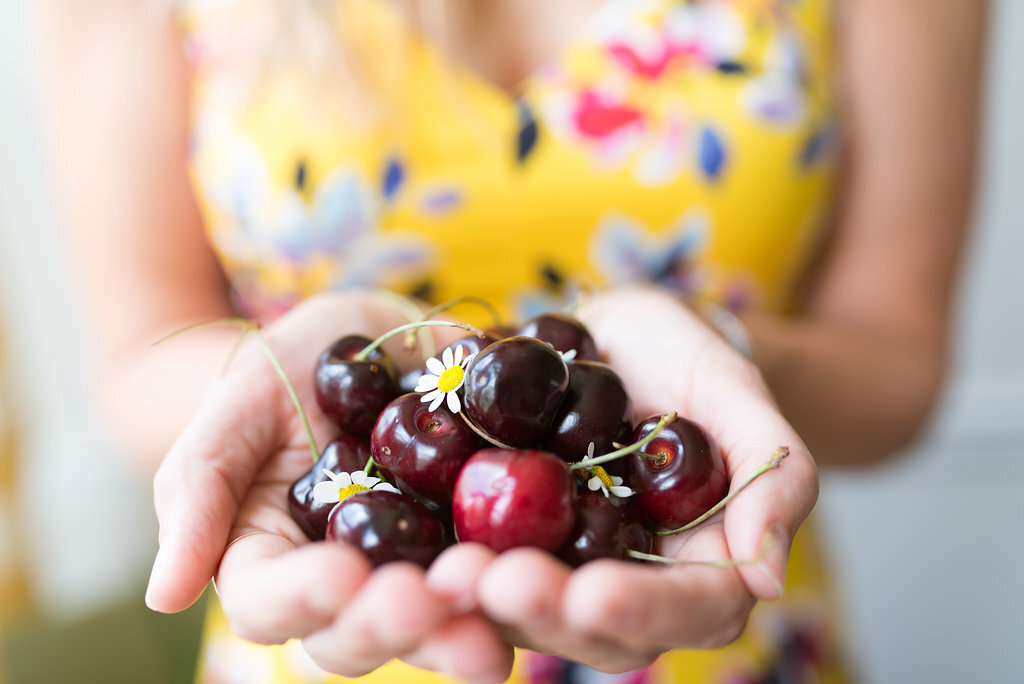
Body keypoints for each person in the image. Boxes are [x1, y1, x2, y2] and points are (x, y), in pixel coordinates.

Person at [40, 0, 987, 682]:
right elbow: (137, 358)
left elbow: (895, 362)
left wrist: (725, 354)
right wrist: (267, 383)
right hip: (328, 625)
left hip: (711, 602)